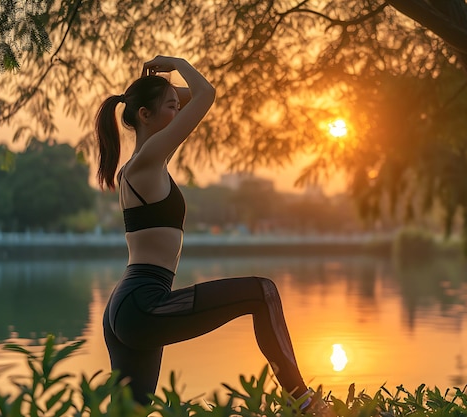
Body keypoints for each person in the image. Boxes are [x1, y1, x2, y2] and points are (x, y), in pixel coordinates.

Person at [96, 56, 327, 414]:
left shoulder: (141, 165)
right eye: (170, 108)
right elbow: (205, 94)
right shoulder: (147, 160)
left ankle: (306, 403)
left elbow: (190, 98)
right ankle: (307, 404)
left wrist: (164, 92)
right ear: (144, 116)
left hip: (128, 306)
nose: (178, 112)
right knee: (262, 292)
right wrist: (175, 63)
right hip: (143, 302)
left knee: (130, 414)